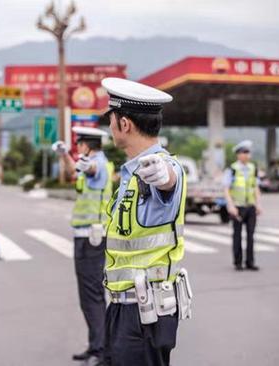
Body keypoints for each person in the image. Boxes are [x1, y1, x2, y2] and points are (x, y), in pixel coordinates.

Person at [100, 77, 192, 366]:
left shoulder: (161, 167)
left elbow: (168, 180)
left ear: (124, 124)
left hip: (144, 313)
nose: (110, 127)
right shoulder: (129, 174)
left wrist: (165, 176)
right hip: (122, 307)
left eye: (111, 120)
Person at [52, 126, 114, 366]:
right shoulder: (87, 162)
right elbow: (71, 175)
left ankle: (103, 350)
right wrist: (64, 154)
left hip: (93, 236)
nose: (78, 147)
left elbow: (91, 169)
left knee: (93, 295)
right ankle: (96, 345)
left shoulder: (98, 163)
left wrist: (83, 163)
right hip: (84, 235)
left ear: (88, 145)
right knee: (88, 297)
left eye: (79, 144)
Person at [223, 140, 262, 271]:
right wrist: (231, 206)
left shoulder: (253, 168)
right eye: (244, 152)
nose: (247, 155)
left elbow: (255, 187)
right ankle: (238, 262)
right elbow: (226, 189)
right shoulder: (232, 169)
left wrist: (258, 204)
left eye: (248, 152)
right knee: (237, 235)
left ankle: (250, 262)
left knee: (251, 235)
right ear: (238, 154)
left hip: (250, 207)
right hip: (237, 207)